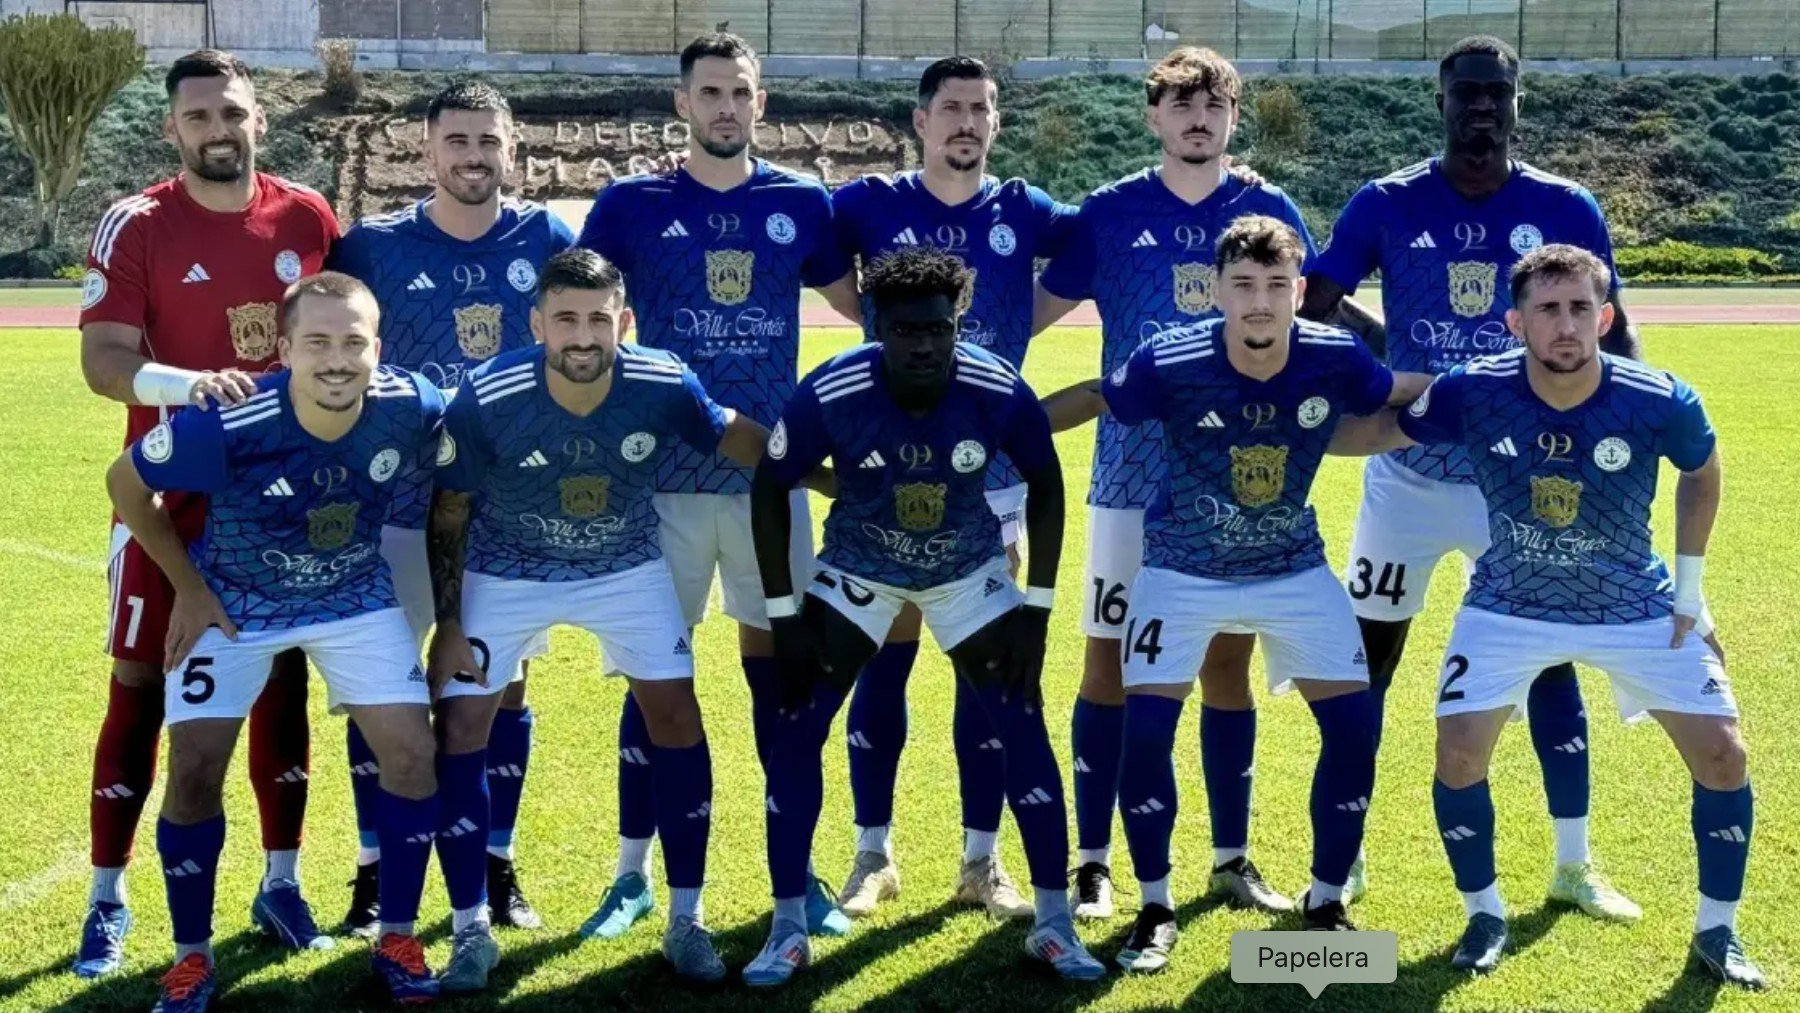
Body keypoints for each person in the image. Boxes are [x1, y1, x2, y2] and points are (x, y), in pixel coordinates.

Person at [1339, 244, 1760, 989]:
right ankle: (1485, 912)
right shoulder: (1475, 390)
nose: (1565, 325)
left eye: (1578, 309)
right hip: (1508, 603)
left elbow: (1703, 468)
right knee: (1459, 752)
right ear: (1515, 322)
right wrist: (1280, 431)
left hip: (1632, 601)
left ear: (1604, 315)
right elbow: (1383, 432)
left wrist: (1690, 591)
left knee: (1724, 753)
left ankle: (1717, 931)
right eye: (1547, 309)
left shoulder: (1660, 396)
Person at [1301, 35, 1642, 915]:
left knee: (1552, 666)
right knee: (1363, 666)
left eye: (1498, 93)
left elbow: (1618, 338)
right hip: (1406, 477)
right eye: (1468, 93)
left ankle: (1573, 864)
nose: (1483, 106)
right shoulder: (1386, 201)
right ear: (1442, 102)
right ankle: (1347, 856)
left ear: (1517, 102)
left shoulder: (1565, 205)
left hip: (1519, 487)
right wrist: (1391, 358)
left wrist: (1630, 444)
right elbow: (1317, 296)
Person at [1053, 216, 1429, 968]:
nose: (1260, 302)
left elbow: (1394, 393)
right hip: (1181, 572)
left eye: (1276, 285)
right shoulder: (1170, 357)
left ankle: (1325, 905)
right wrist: (1003, 435)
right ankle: (1155, 907)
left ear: (1299, 291)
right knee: (1148, 733)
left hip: (1293, 570)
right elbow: (1099, 395)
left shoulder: (1335, 354)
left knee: (1355, 731)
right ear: (1216, 290)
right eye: (1244, 285)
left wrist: (1496, 386)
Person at [742, 246, 1103, 986]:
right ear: (877, 325)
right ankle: (787, 926)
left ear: (956, 323)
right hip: (857, 571)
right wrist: (784, 614)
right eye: (906, 330)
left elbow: (1046, 481)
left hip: (967, 571)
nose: (924, 345)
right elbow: (770, 485)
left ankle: (1054, 922)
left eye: (938, 329)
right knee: (795, 726)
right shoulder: (831, 391)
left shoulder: (996, 387)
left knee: (1021, 720)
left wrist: (1036, 608)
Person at [428, 247, 782, 984]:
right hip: (508, 569)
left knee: (677, 716)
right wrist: (452, 622)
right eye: (565, 320)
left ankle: (686, 918)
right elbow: (451, 506)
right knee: (462, 724)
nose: (583, 336)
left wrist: (820, 468)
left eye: (598, 319)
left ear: (624, 321)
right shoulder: (488, 393)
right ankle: (470, 930)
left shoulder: (660, 379)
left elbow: (731, 434)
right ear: (537, 324)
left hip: (625, 567)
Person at [574, 30, 860, 941]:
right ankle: (631, 875)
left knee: (782, 677)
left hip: (768, 485)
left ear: (761, 104)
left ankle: (798, 870)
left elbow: (867, 302)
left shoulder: (802, 204)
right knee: (654, 675)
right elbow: (575, 313)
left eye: (741, 91)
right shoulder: (629, 204)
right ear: (681, 103)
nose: (726, 106)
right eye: (709, 92)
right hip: (656, 485)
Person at [105, 273, 449, 1010]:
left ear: (376, 350)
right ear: (283, 349)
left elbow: (462, 466)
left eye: (353, 342)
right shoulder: (228, 421)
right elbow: (126, 483)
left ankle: (396, 935)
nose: (336, 358)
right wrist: (189, 588)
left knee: (414, 753)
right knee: (194, 768)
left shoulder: (410, 404)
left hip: (354, 596)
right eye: (317, 342)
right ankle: (191, 957)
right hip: (235, 604)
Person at [1032, 45, 1320, 919]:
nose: (1199, 118)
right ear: (1154, 116)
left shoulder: (1269, 207)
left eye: (1215, 105)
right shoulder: (1109, 212)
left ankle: (1230, 856)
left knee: (1226, 661)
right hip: (1132, 471)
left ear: (1234, 118)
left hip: (1244, 481)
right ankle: (1092, 859)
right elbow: (1031, 313)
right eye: (1182, 104)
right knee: (1108, 659)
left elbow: (1308, 321)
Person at [74, 48, 338, 975]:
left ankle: (282, 882)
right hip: (167, 499)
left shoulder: (307, 214)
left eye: (231, 112)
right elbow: (103, 359)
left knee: (284, 680)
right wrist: (195, 386)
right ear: (172, 129)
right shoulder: (138, 221)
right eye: (198, 117)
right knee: (140, 681)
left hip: (281, 502)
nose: (216, 129)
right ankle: (106, 896)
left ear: (258, 117)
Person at [825, 54, 1078, 920]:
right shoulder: (866, 206)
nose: (968, 122)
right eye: (952, 108)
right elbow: (823, 272)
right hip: (887, 474)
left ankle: (981, 860)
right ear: (920, 121)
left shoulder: (1028, 211)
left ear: (994, 124)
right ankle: (873, 853)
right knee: (883, 660)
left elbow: (1105, 238)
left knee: (986, 675)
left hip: (994, 482)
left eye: (982, 109)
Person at [328, 78, 573, 938]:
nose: (474, 157)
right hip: (396, 505)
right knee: (380, 690)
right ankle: (371, 874)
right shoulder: (371, 248)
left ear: (513, 149)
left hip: (506, 511)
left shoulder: (547, 236)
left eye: (489, 142)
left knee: (499, 689)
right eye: (457, 142)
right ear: (425, 150)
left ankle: (496, 866)